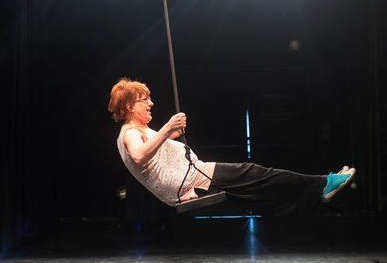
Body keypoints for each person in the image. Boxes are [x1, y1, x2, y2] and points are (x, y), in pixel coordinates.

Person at [108, 77, 356, 216]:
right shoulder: (130, 133)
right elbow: (140, 156)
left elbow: (154, 154)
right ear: (130, 106)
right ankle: (324, 184)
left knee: (259, 192)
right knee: (260, 175)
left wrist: (170, 134)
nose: (151, 103)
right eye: (144, 100)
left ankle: (315, 197)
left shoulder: (140, 131)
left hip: (192, 178)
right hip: (193, 179)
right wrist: (167, 128)